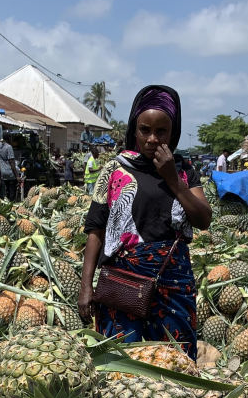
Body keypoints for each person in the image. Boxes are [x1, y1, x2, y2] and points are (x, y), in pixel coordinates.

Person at [78, 85, 211, 359]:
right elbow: (96, 230)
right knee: (119, 361)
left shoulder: (184, 171)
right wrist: (85, 285)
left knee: (175, 361)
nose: (152, 138)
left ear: (173, 132)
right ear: (134, 129)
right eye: (144, 130)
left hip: (172, 280)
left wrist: (172, 178)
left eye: (161, 131)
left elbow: (203, 219)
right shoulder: (114, 169)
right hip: (122, 281)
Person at [0, 126, 19, 200]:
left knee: (5, 192)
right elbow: (12, 162)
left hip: (2, 173)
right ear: (9, 138)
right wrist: (17, 176)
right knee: (12, 193)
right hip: (10, 173)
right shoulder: (9, 147)